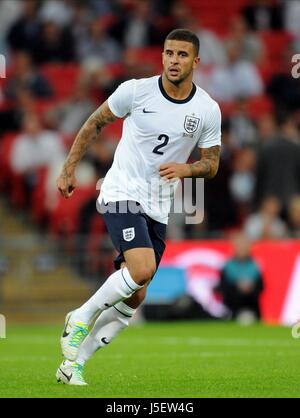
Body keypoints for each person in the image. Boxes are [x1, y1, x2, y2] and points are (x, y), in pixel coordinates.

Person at [55, 29, 222, 386]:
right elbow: (95, 122)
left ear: (196, 61)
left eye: (181, 55)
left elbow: (212, 162)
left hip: (159, 206)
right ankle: (81, 315)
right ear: (161, 56)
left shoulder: (207, 109)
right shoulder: (136, 90)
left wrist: (187, 169)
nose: (173, 60)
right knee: (142, 268)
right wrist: (69, 168)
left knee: (137, 293)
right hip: (121, 191)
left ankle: (74, 365)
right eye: (168, 53)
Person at [217, 232, 264, 323]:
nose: (242, 248)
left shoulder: (255, 266)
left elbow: (261, 287)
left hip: (252, 307)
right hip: (232, 309)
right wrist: (238, 288)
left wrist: (250, 289)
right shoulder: (228, 266)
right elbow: (223, 288)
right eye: (239, 245)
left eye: (244, 245)